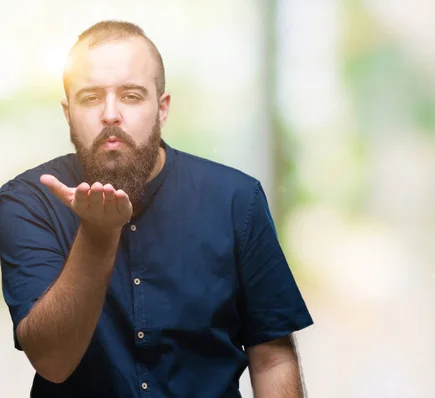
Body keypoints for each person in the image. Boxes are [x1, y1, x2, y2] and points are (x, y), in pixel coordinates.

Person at [0, 20, 313, 397]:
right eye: (91, 97)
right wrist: (97, 236)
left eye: (131, 95)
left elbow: (272, 358)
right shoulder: (28, 201)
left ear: (162, 109)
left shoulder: (237, 200)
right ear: (68, 113)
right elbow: (52, 361)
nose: (111, 114)